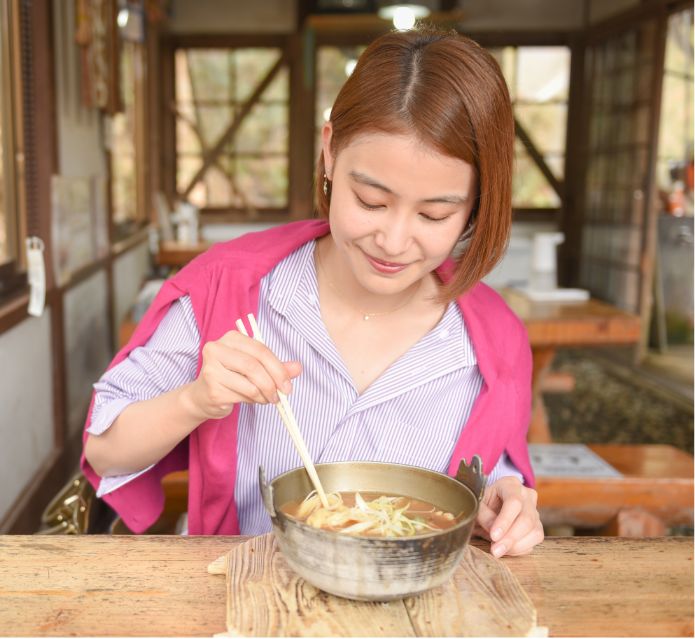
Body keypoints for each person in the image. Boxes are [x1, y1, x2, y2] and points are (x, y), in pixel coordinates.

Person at [83, 26, 543, 558]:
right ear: (330, 154)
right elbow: (105, 450)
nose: (393, 241)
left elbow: (495, 477)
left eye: (434, 214)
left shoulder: (491, 340)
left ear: (476, 203)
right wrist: (196, 399)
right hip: (242, 604)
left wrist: (507, 504)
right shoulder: (228, 289)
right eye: (371, 200)